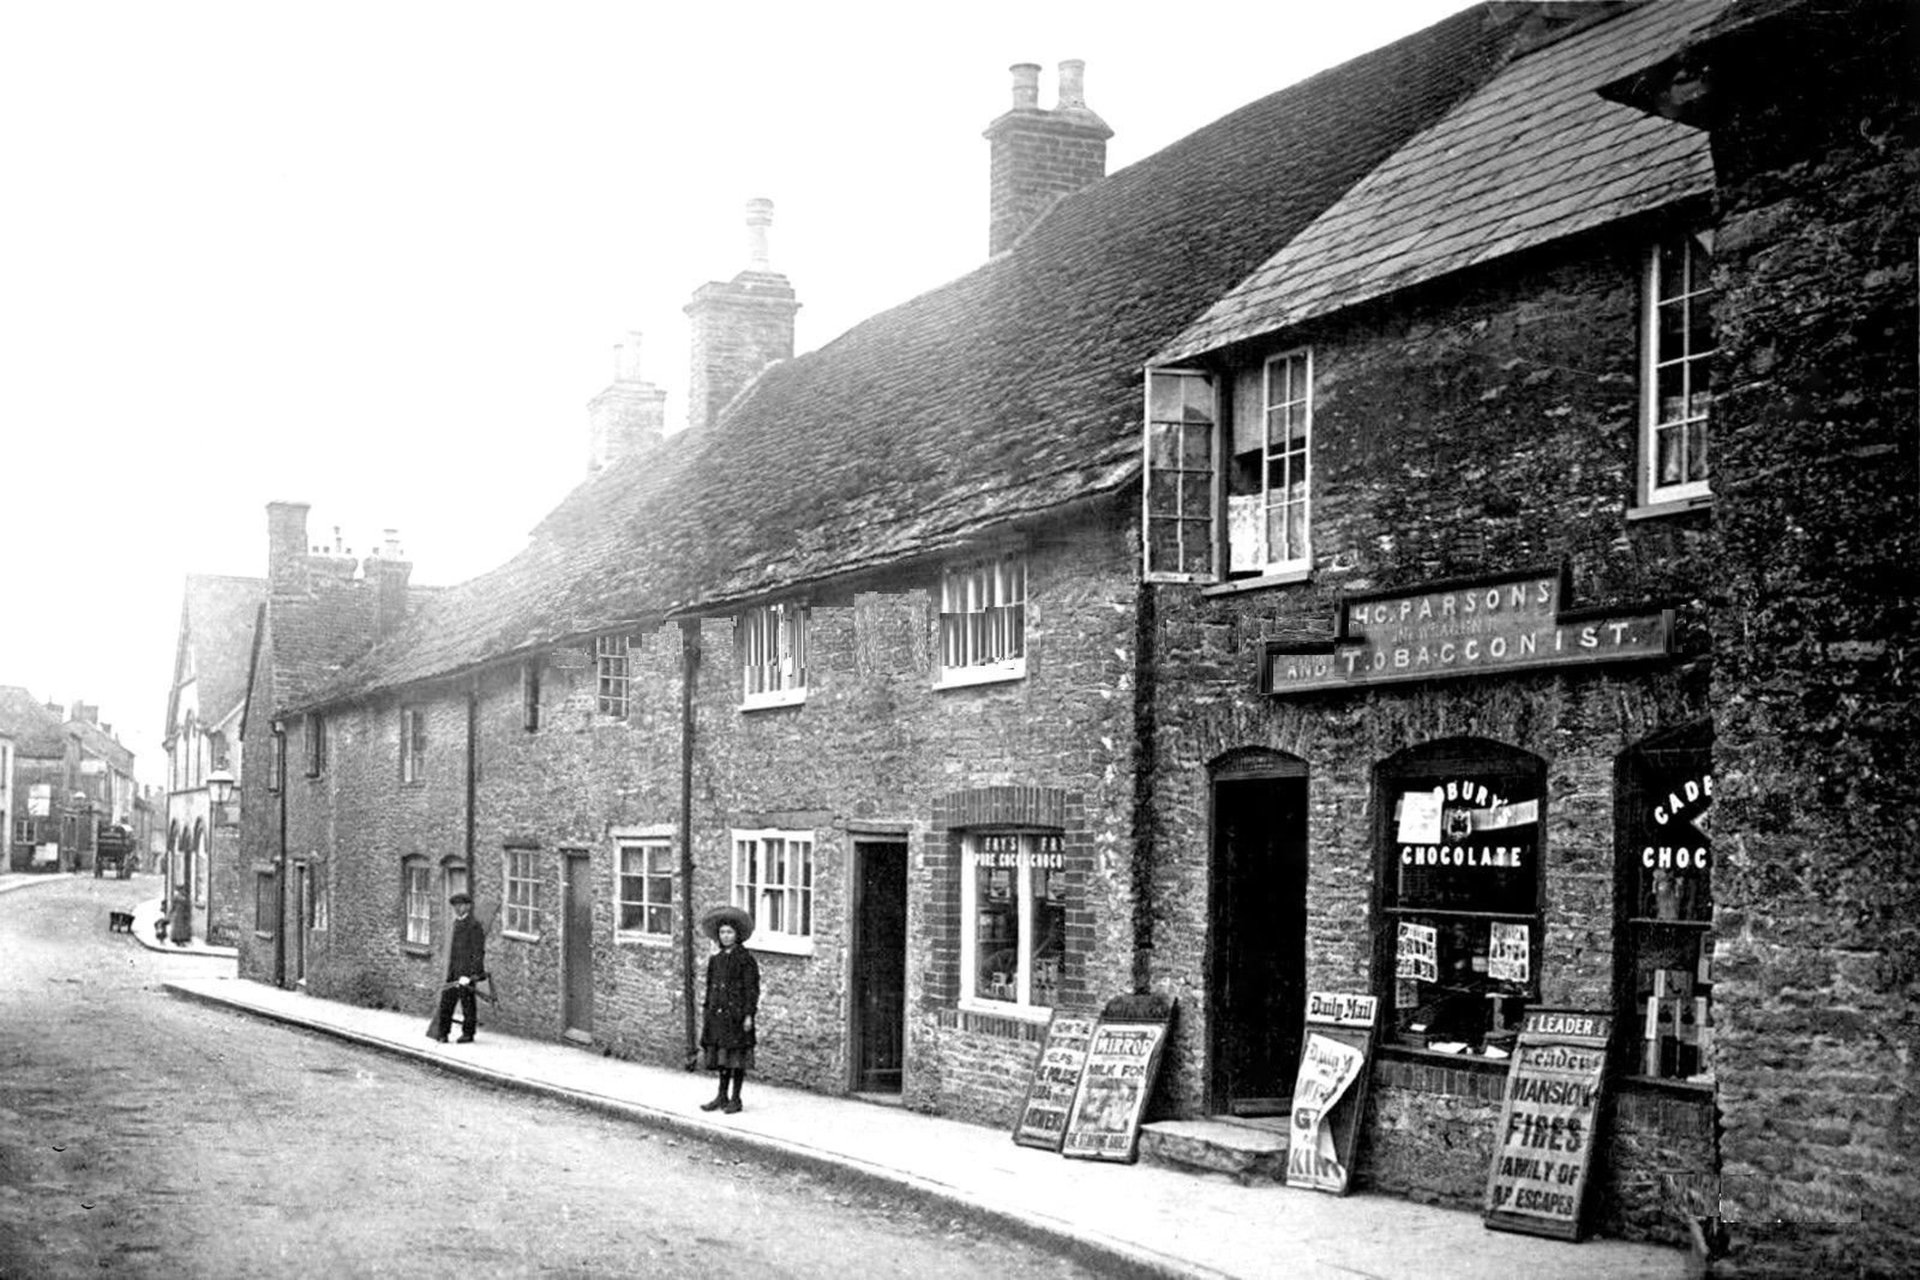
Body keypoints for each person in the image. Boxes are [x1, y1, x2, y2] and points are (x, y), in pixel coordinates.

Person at [698, 905, 760, 1114]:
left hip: (737, 1016)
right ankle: (721, 1095)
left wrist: (749, 1015)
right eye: (722, 932)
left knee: (736, 1058)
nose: (725, 936)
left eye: (730, 932)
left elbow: (752, 990)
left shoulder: (745, 960)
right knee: (721, 1057)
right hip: (718, 1015)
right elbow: (710, 987)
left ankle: (736, 1098)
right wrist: (708, 1011)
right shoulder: (716, 960)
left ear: (737, 935)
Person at [428, 892, 487, 1044]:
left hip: (466, 973)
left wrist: (472, 974)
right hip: (454, 971)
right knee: (446, 1001)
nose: (457, 909)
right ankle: (443, 1033)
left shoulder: (474, 926)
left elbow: (478, 952)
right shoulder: (456, 924)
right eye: (455, 906)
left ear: (468, 906)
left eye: (460, 905)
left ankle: (468, 1034)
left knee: (467, 1003)